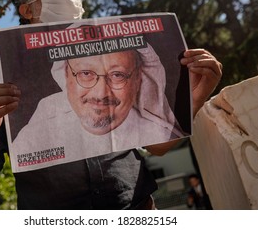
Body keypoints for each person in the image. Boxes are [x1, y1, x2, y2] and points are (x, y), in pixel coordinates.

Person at [0, 0, 222, 209]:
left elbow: (158, 146)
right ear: (26, 8)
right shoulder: (1, 71)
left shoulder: (120, 51)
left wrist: (195, 96)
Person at [12, 43, 187, 172]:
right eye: (86, 74)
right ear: (66, 75)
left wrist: (195, 97)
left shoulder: (149, 126)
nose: (101, 93)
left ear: (137, 80)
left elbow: (161, 147)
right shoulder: (38, 128)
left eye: (117, 75)